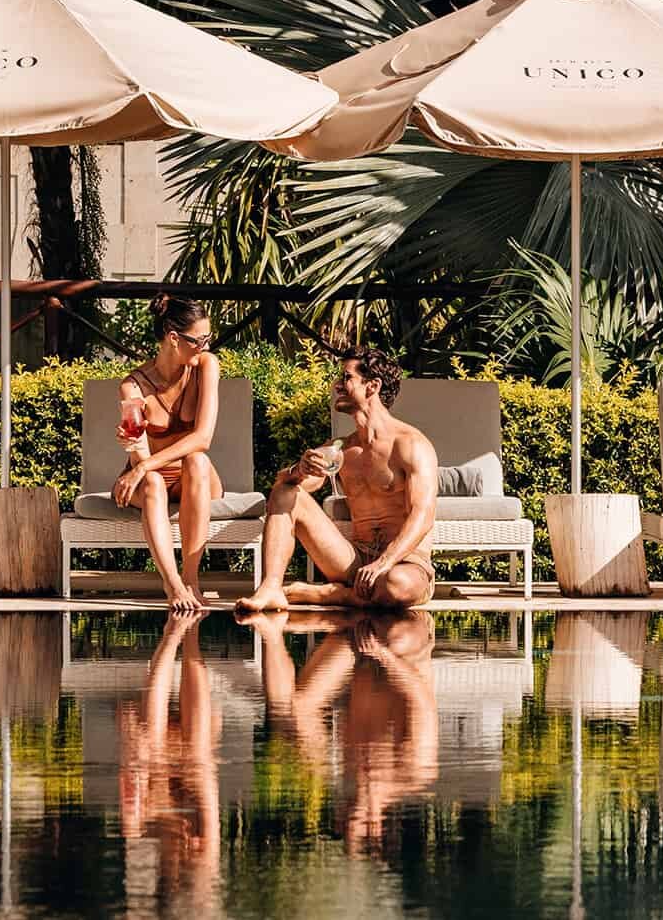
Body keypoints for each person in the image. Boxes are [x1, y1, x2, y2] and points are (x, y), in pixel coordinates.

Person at [237, 347, 437, 612]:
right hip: (354, 559)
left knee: (395, 586)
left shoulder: (411, 444)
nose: (337, 385)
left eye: (346, 378)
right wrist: (300, 470)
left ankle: (331, 595)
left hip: (405, 563)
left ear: (372, 386)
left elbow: (423, 515)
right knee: (287, 492)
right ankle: (271, 587)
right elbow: (284, 488)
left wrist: (384, 562)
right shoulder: (341, 449)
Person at [246, 610, 437, 855]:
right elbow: (421, 697)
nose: (339, 816)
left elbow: (306, 715)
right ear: (374, 826)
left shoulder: (340, 779)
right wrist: (385, 656)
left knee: (291, 711)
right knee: (395, 638)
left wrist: (303, 739)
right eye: (348, 823)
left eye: (339, 823)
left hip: (356, 652)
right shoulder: (416, 772)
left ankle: (271, 633)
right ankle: (336, 597)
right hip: (403, 656)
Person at [115, 293, 221, 612]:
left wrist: (142, 466)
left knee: (197, 460)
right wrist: (136, 453)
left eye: (208, 338)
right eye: (199, 340)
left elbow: (202, 438)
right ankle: (173, 583)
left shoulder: (206, 366)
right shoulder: (133, 388)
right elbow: (138, 455)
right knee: (152, 482)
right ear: (174, 338)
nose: (205, 346)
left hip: (195, 478)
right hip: (151, 480)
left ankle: (192, 579)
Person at [117, 613, 222, 912]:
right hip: (189, 738)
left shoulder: (137, 823)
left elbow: (132, 758)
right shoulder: (196, 829)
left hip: (155, 732)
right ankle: (186, 638)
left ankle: (174, 635)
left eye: (178, 860)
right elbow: (207, 783)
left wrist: (137, 757)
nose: (187, 848)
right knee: (198, 756)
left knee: (157, 746)